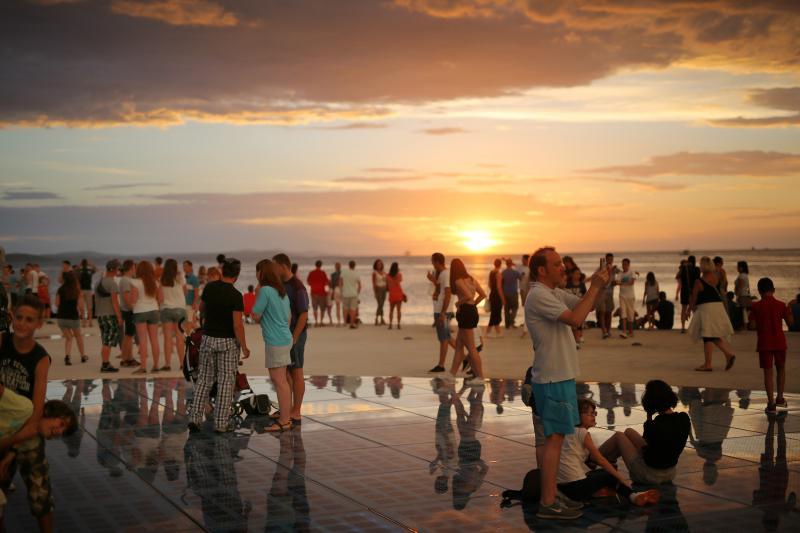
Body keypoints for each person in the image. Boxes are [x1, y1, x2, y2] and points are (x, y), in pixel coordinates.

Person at [525, 247, 609, 520]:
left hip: (560, 376)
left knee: (557, 440)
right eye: (557, 264)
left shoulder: (553, 293)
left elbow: (587, 305)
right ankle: (548, 502)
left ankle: (552, 495)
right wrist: (594, 286)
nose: (563, 268)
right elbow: (576, 319)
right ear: (541, 270)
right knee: (554, 440)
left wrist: (601, 286)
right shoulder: (538, 295)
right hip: (551, 378)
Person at [0, 295, 54, 532]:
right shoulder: (2, 342)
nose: (22, 323)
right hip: (1, 426)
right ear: (12, 316)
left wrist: (11, 449)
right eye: (19, 317)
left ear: (39, 324)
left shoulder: (40, 358)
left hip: (26, 431)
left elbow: (36, 411)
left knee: (40, 494)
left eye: (29, 320)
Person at [556, 399, 660, 506]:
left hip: (561, 486)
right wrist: (621, 478)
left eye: (594, 413)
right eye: (590, 414)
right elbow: (600, 459)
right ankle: (633, 496)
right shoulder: (582, 433)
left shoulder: (567, 432)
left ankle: (603, 490)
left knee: (599, 474)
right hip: (575, 489)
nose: (593, 417)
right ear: (577, 416)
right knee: (610, 475)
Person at [187, 258, 250, 433]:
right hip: (227, 342)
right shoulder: (236, 296)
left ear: (222, 272)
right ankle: (221, 423)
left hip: (207, 339)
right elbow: (237, 325)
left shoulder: (209, 288)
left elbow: (201, 309)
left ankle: (194, 418)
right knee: (225, 382)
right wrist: (244, 346)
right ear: (236, 275)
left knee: (204, 380)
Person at [599, 380, 690, 485]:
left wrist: (649, 418)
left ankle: (594, 457)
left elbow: (648, 443)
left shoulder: (654, 425)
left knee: (619, 436)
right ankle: (609, 461)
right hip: (670, 472)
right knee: (628, 431)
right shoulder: (684, 418)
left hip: (650, 474)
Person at [252, 259, 293, 432]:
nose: (256, 275)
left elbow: (254, 315)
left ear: (261, 273)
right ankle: (285, 416)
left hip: (275, 341)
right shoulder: (281, 291)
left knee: (279, 381)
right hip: (285, 338)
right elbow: (289, 317)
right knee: (282, 380)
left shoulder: (265, 291)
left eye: (257, 271)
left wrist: (257, 295)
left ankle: (284, 420)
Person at [272, 253, 309, 428]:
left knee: (297, 372)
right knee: (285, 373)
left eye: (275, 266)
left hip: (296, 335)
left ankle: (297, 411)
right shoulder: (280, 285)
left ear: (283, 266)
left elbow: (303, 315)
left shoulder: (297, 286)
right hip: (282, 335)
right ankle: (288, 408)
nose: (273, 270)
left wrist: (294, 338)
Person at [749, 278, 794, 413]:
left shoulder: (756, 306)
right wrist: (789, 309)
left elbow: (752, 326)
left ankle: (771, 403)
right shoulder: (781, 305)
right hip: (780, 342)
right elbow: (791, 323)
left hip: (764, 343)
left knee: (768, 373)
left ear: (759, 291)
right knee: (781, 369)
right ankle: (780, 397)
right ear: (773, 290)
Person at [689, 257, 736, 372]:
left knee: (707, 336)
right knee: (712, 335)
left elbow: (694, 298)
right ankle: (728, 354)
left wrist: (689, 310)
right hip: (717, 306)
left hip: (706, 308)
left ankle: (708, 364)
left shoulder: (698, 282)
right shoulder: (716, 278)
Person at [448, 259, 486, 386]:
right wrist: (472, 305)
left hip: (465, 313)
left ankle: (480, 377)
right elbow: (482, 294)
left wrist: (458, 303)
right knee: (459, 346)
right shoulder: (471, 279)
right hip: (471, 312)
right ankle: (451, 375)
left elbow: (468, 296)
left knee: (471, 347)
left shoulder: (458, 281)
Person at [130, 260, 162, 373]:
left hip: (140, 311)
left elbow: (133, 299)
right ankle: (156, 365)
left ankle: (143, 367)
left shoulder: (135, 282)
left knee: (143, 340)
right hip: (153, 311)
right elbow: (160, 299)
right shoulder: (156, 282)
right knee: (154, 340)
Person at [158, 258, 187, 371]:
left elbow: (160, 298)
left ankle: (167, 364)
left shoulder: (162, 280)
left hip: (166, 310)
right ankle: (181, 364)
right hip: (180, 309)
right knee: (180, 338)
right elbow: (185, 292)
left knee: (167, 338)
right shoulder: (180, 278)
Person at [428, 252, 453, 373]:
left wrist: (443, 313)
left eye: (433, 261)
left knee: (444, 338)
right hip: (439, 310)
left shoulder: (446, 274)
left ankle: (441, 365)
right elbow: (440, 290)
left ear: (437, 261)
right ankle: (465, 358)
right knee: (446, 337)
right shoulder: (442, 274)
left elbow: (448, 293)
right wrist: (433, 280)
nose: (432, 264)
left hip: (443, 311)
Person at [94, 259, 121, 373]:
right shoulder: (112, 283)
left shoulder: (98, 283)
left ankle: (106, 362)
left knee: (105, 339)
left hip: (100, 315)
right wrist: (119, 317)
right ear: (114, 269)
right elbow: (115, 302)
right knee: (108, 341)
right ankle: (105, 364)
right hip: (110, 314)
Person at [55, 271, 86, 366]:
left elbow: (57, 304)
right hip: (73, 318)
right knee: (78, 337)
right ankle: (83, 356)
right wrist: (82, 315)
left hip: (61, 318)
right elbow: (81, 306)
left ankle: (67, 357)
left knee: (68, 338)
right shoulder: (77, 291)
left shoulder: (60, 289)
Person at [117, 260, 138, 368]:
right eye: (134, 267)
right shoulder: (126, 280)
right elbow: (126, 297)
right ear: (131, 268)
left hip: (128, 310)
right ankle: (125, 359)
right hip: (129, 311)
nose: (135, 269)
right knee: (128, 336)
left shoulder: (126, 280)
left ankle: (130, 358)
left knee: (130, 335)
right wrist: (133, 308)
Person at [596, 253, 619, 339]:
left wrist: (616, 282)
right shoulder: (601, 268)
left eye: (611, 259)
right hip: (602, 293)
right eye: (608, 259)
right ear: (606, 259)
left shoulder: (614, 269)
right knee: (602, 312)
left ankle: (608, 331)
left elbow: (622, 275)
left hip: (610, 294)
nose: (610, 261)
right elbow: (597, 278)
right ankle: (604, 331)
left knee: (609, 312)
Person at [565, 268, 586, 347]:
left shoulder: (581, 284)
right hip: (570, 306)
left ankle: (578, 337)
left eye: (579, 274)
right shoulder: (568, 284)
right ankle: (575, 340)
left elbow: (584, 294)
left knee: (579, 322)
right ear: (572, 274)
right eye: (576, 273)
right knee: (572, 324)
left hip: (579, 305)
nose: (578, 275)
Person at [679, 256, 700, 333]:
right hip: (693, 290)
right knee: (694, 309)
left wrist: (683, 267)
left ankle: (683, 327)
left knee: (683, 309)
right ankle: (697, 327)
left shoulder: (684, 269)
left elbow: (679, 277)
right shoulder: (697, 269)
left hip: (684, 290)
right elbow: (698, 280)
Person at [484, 259, 504, 338]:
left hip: (492, 294)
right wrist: (503, 299)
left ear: (494, 264)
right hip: (497, 296)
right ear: (500, 264)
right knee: (495, 314)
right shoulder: (498, 274)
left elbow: (489, 284)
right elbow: (499, 287)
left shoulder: (491, 272)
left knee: (496, 313)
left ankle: (498, 332)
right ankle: (488, 332)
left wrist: (493, 290)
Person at [306, 260, 329, 327]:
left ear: (315, 265)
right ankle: (321, 322)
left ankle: (316, 322)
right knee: (322, 308)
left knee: (315, 308)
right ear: (321, 265)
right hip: (322, 293)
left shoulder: (311, 273)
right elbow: (326, 282)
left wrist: (313, 285)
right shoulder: (323, 273)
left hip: (313, 293)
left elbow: (308, 282)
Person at [618, 258, 636, 339]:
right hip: (622, 296)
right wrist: (622, 283)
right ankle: (624, 332)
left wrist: (622, 283)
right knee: (623, 314)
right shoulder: (620, 273)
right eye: (623, 264)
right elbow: (617, 282)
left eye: (625, 264)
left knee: (630, 314)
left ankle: (631, 331)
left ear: (628, 265)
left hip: (630, 296)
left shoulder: (632, 272)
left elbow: (632, 282)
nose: (624, 266)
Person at [340, 260, 360, 329]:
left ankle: (345, 322)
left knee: (345, 309)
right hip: (354, 294)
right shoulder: (356, 273)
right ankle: (352, 323)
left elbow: (340, 283)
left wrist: (341, 291)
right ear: (354, 266)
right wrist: (357, 293)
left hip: (345, 293)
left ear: (349, 265)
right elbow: (360, 285)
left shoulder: (344, 272)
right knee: (353, 309)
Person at [501, 259, 521, 329]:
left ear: (506, 264)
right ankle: (511, 322)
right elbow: (521, 278)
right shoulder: (515, 272)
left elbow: (501, 282)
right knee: (515, 308)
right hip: (513, 292)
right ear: (511, 264)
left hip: (505, 292)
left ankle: (507, 324)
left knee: (506, 309)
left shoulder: (503, 272)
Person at [735, 260, 754, 330]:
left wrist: (738, 296)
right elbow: (747, 287)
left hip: (742, 295)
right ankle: (745, 326)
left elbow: (740, 286)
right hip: (746, 294)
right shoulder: (745, 275)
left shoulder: (741, 276)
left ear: (741, 268)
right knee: (745, 311)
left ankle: (744, 326)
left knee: (743, 311)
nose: (737, 268)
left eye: (738, 267)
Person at [77, 258, 96, 328]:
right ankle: (87, 322)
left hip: (85, 290)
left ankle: (87, 322)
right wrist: (90, 264)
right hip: (85, 290)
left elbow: (96, 269)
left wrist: (89, 264)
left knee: (87, 307)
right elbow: (96, 269)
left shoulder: (85, 270)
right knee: (87, 307)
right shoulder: (83, 270)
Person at [386, 262, 404, 329]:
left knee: (391, 310)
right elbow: (399, 282)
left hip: (392, 293)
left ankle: (390, 324)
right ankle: (398, 324)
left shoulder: (387, 276)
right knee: (398, 310)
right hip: (399, 293)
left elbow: (388, 285)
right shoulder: (399, 275)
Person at [183, 260, 200, 325]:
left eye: (186, 266)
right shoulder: (183, 278)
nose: (184, 267)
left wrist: (194, 303)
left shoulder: (194, 278)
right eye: (183, 266)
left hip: (190, 303)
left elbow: (196, 292)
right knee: (189, 322)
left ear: (190, 267)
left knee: (190, 322)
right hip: (184, 303)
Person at [371, 260, 387, 326]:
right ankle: (377, 319)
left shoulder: (384, 272)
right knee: (380, 304)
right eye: (378, 264)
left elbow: (386, 281)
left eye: (380, 264)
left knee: (382, 304)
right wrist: (375, 292)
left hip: (384, 289)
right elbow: (374, 283)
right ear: (376, 265)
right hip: (378, 289)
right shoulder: (374, 273)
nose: (379, 265)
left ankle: (382, 319)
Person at [329, 262, 342, 326]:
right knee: (341, 306)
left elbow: (331, 285)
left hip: (336, 290)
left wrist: (332, 293)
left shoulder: (333, 275)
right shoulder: (343, 273)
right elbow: (331, 285)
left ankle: (339, 321)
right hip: (340, 290)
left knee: (338, 306)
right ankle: (341, 321)